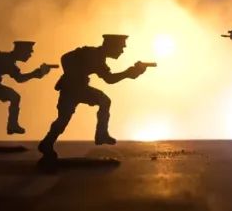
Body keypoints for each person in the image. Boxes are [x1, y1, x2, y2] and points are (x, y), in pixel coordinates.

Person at [37, 34, 151, 162]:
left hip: (78, 89)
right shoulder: (92, 53)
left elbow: (109, 79)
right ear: (112, 46)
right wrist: (73, 75)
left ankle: (49, 143)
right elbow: (65, 58)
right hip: (71, 89)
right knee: (66, 117)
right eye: (121, 47)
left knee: (101, 103)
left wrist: (131, 73)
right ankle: (49, 143)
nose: (122, 51)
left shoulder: (99, 59)